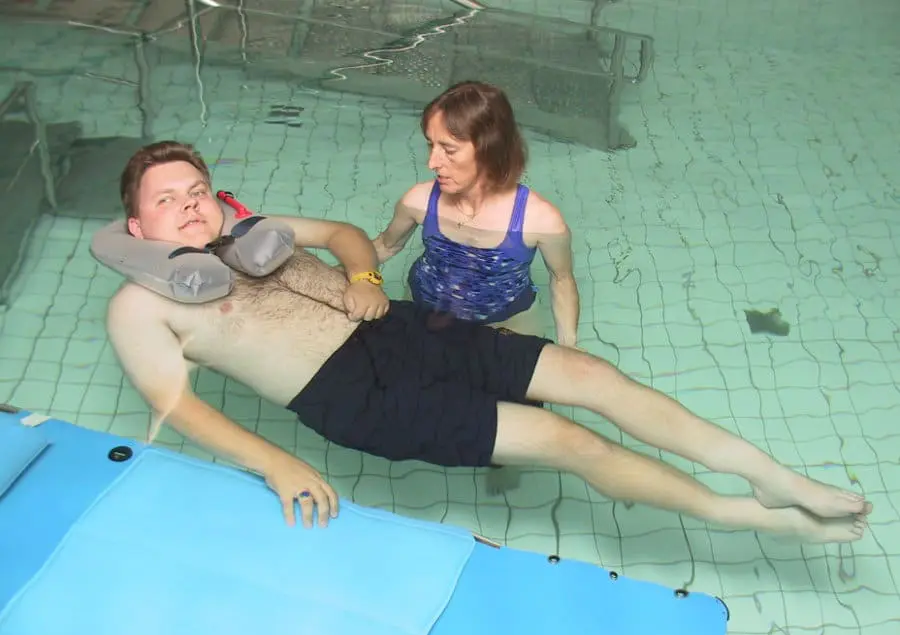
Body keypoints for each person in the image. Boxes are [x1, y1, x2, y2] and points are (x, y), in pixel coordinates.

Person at [105, 140, 872, 546]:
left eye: (197, 190)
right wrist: (278, 464)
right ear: (138, 226)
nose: (191, 205)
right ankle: (738, 513)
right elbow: (176, 404)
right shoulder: (139, 306)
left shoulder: (252, 231)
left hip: (404, 328)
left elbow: (341, 233)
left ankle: (771, 476)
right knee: (570, 441)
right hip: (361, 398)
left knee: (593, 375)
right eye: (168, 200)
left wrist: (364, 276)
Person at [372, 81, 579, 347]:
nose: (432, 162)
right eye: (431, 145)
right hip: (423, 309)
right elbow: (386, 246)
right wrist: (343, 276)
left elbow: (561, 279)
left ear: (489, 148)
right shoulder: (419, 201)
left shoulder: (540, 221)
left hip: (507, 323)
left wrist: (569, 347)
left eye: (448, 150)